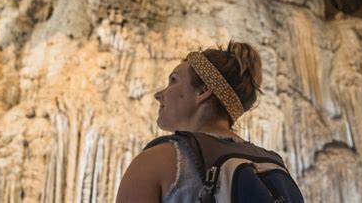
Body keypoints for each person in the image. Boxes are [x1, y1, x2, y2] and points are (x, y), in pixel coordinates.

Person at [116, 41, 302, 202]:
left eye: (173, 80)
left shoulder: (154, 162)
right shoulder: (273, 164)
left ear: (203, 91)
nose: (159, 95)